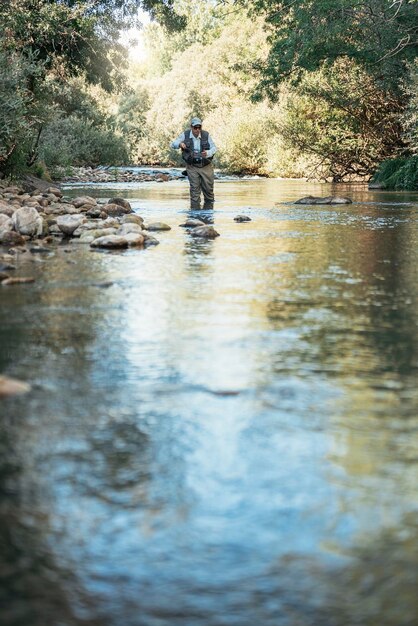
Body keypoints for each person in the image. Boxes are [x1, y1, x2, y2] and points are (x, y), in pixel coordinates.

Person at [171, 117, 217, 210]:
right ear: (191, 127)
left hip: (206, 166)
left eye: (199, 127)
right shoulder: (185, 135)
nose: (197, 130)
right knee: (194, 192)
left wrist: (208, 153)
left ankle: (208, 215)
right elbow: (173, 144)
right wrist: (180, 144)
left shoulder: (206, 135)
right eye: (195, 127)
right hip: (192, 166)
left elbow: (214, 148)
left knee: (209, 192)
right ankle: (195, 217)